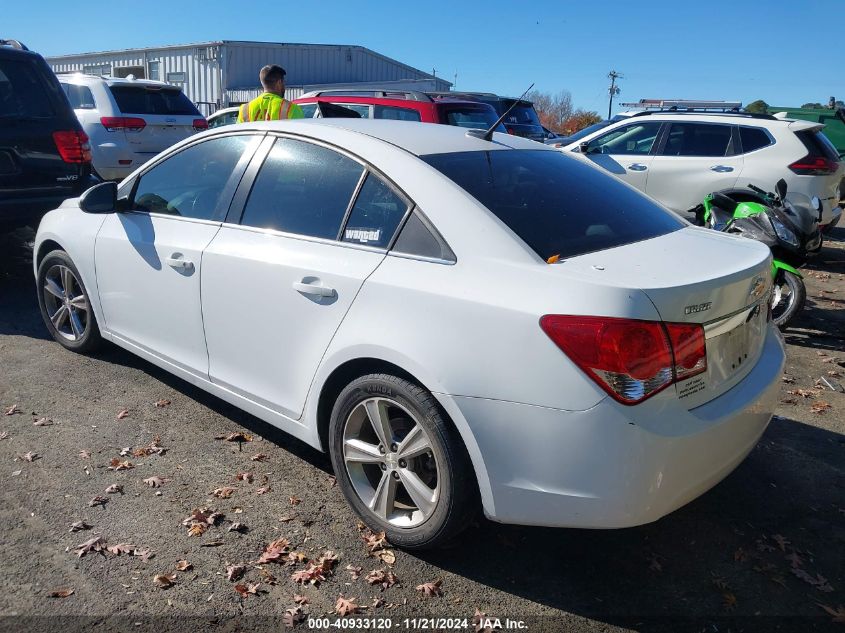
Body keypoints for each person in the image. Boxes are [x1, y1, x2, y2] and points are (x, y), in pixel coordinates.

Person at [237, 64, 304, 123]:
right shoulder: (291, 109)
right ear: (279, 82)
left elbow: (239, 136)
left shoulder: (244, 110)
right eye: (284, 82)